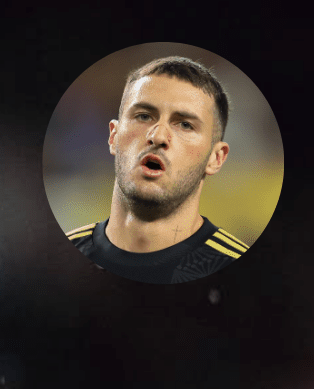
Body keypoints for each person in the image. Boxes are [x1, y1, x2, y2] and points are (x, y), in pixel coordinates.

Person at [67, 56, 249, 284]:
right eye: (143, 116)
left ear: (215, 158)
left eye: (185, 124)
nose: (158, 136)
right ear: (113, 136)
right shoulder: (55, 263)